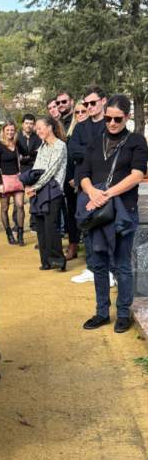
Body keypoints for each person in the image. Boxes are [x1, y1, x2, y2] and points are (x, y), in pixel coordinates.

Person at [78, 94, 148, 333]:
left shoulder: (136, 141)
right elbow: (83, 174)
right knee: (98, 264)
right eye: (108, 118)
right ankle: (101, 312)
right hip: (97, 212)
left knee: (121, 265)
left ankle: (123, 313)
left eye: (117, 119)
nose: (112, 123)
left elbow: (137, 175)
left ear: (127, 117)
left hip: (123, 212)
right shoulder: (95, 141)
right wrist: (92, 193)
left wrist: (106, 194)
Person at [68, 86, 112, 284]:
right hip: (85, 184)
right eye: (86, 104)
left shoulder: (111, 123)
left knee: (107, 225)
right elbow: (73, 150)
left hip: (106, 183)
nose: (89, 107)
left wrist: (87, 152)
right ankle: (92, 268)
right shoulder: (80, 127)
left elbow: (109, 150)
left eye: (92, 103)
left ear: (103, 101)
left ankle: (109, 270)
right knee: (87, 225)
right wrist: (93, 151)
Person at [25, 116, 68, 270]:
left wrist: (34, 187)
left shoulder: (60, 146)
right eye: (36, 129)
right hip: (39, 190)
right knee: (41, 228)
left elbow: (51, 171)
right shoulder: (42, 146)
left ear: (49, 127)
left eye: (40, 128)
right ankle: (46, 261)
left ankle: (58, 260)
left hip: (53, 191)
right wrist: (29, 183)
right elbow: (36, 169)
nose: (37, 131)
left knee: (51, 226)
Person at [63, 101, 89, 260]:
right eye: (77, 112)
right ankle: (73, 245)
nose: (80, 114)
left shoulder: (93, 130)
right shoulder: (70, 134)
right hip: (70, 178)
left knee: (87, 213)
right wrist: (71, 177)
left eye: (83, 111)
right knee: (71, 213)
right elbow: (68, 157)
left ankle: (89, 248)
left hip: (86, 178)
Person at [0, 120, 25, 246]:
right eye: (7, 130)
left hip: (17, 179)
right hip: (4, 180)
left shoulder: (17, 143)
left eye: (12, 130)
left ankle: (20, 235)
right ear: (3, 131)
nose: (10, 132)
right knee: (5, 208)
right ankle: (9, 234)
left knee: (20, 206)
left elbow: (26, 153)